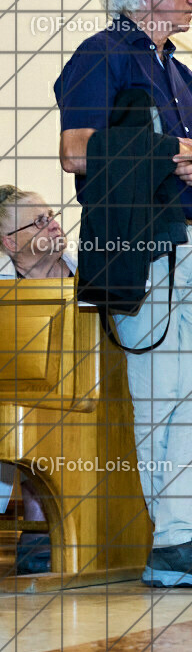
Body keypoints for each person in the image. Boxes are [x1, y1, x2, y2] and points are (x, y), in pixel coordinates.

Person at [54, 0, 192, 589]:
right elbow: (78, 150)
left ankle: (180, 536)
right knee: (164, 394)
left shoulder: (181, 71)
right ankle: (172, 541)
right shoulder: (101, 55)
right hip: (143, 247)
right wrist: (171, 156)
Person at [0, 187, 77, 574]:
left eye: (52, 214)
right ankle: (36, 531)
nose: (54, 223)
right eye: (40, 221)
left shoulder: (95, 271)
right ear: (9, 242)